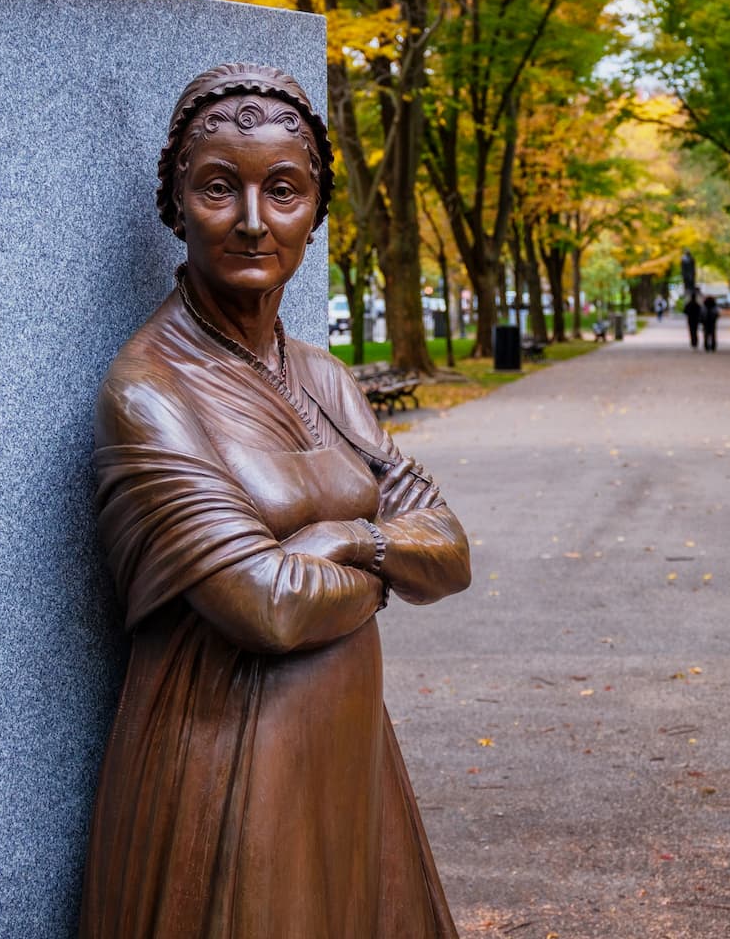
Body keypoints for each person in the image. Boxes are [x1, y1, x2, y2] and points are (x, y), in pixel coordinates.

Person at [80, 63, 471, 939]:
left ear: (316, 211)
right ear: (176, 207)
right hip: (223, 762)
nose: (254, 222)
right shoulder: (150, 391)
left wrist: (347, 542)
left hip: (348, 747)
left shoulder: (324, 377)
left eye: (283, 191)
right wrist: (381, 548)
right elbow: (264, 606)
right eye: (220, 189)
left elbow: (450, 551)